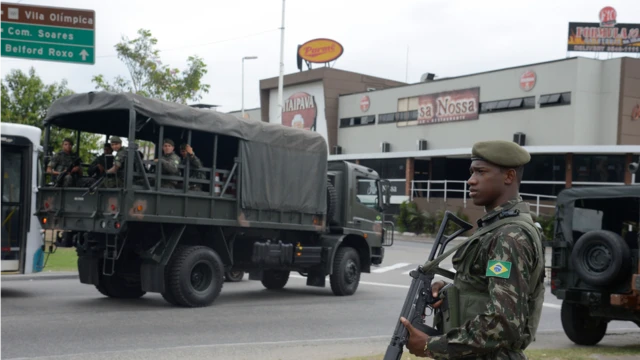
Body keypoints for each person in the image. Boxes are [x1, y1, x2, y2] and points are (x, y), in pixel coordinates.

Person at [399, 140, 545, 359]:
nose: (471, 180)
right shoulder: (498, 227)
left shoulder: (509, 236)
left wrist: (432, 346)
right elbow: (487, 291)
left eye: (480, 172)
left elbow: (502, 323)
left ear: (509, 177)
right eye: (471, 172)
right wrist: (452, 291)